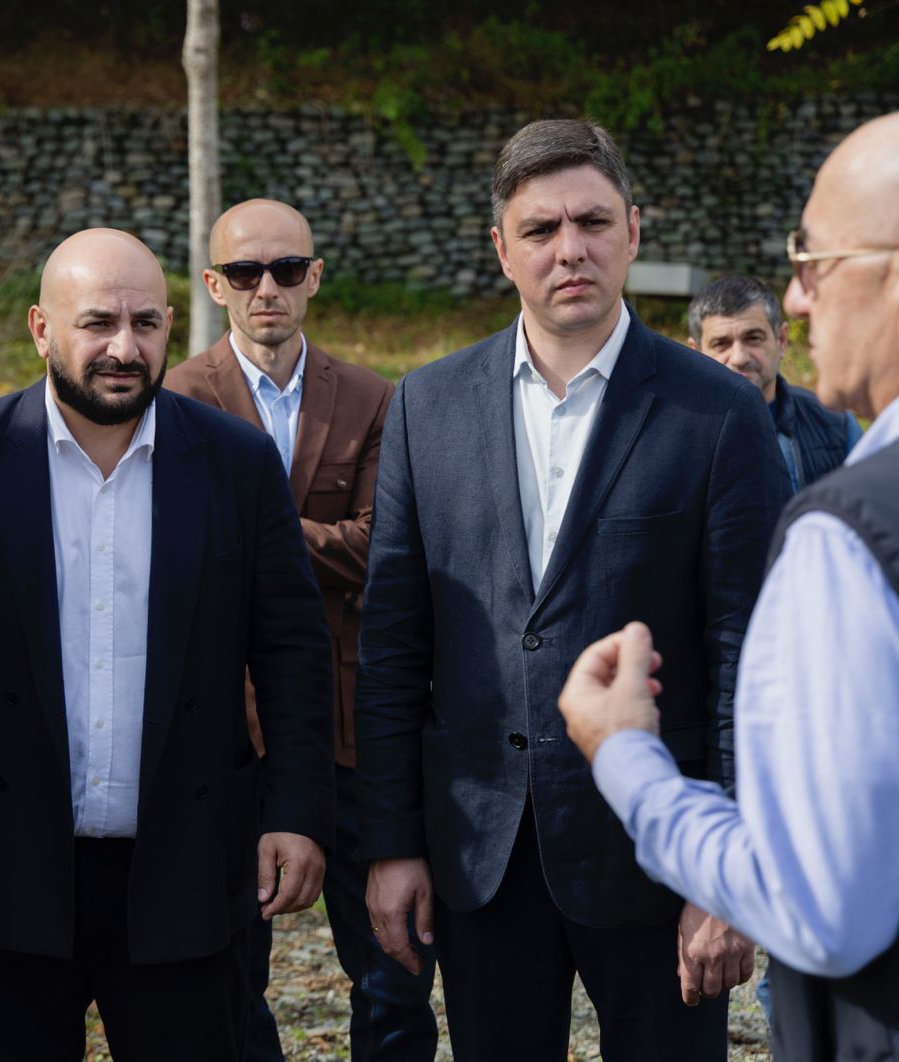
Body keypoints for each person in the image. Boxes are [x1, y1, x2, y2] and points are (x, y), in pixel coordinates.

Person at [355, 118, 790, 1060]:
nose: (570, 249)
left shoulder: (717, 413)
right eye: (541, 229)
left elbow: (748, 657)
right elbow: (393, 642)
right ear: (501, 248)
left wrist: (729, 869)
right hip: (482, 854)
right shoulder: (426, 406)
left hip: (661, 855)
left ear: (632, 231)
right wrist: (391, 842)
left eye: (592, 222)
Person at [0, 228, 335, 1060]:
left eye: (146, 323)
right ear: (41, 329)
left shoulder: (236, 462)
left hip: (192, 857)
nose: (125, 348)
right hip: (9, 858)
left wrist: (297, 811)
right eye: (97, 323)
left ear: (170, 327)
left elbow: (292, 651)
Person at [559, 110, 899, 1062]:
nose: (795, 301)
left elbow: (823, 908)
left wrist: (628, 759)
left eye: (813, 264)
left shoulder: (851, 532)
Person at [164, 198, 431, 1060]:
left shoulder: (374, 398)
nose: (266, 289)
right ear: (215, 285)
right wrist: (317, 541)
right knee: (229, 975)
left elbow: (386, 549)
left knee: (393, 971)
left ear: (313, 277)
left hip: (349, 721)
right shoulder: (174, 398)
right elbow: (172, 551)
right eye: (245, 273)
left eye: (285, 270)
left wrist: (249, 534)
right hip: (223, 728)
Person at [687, 273, 860, 491]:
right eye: (721, 343)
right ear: (696, 352)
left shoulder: (837, 426)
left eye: (753, 338)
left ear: (782, 340)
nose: (739, 358)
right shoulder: (670, 433)